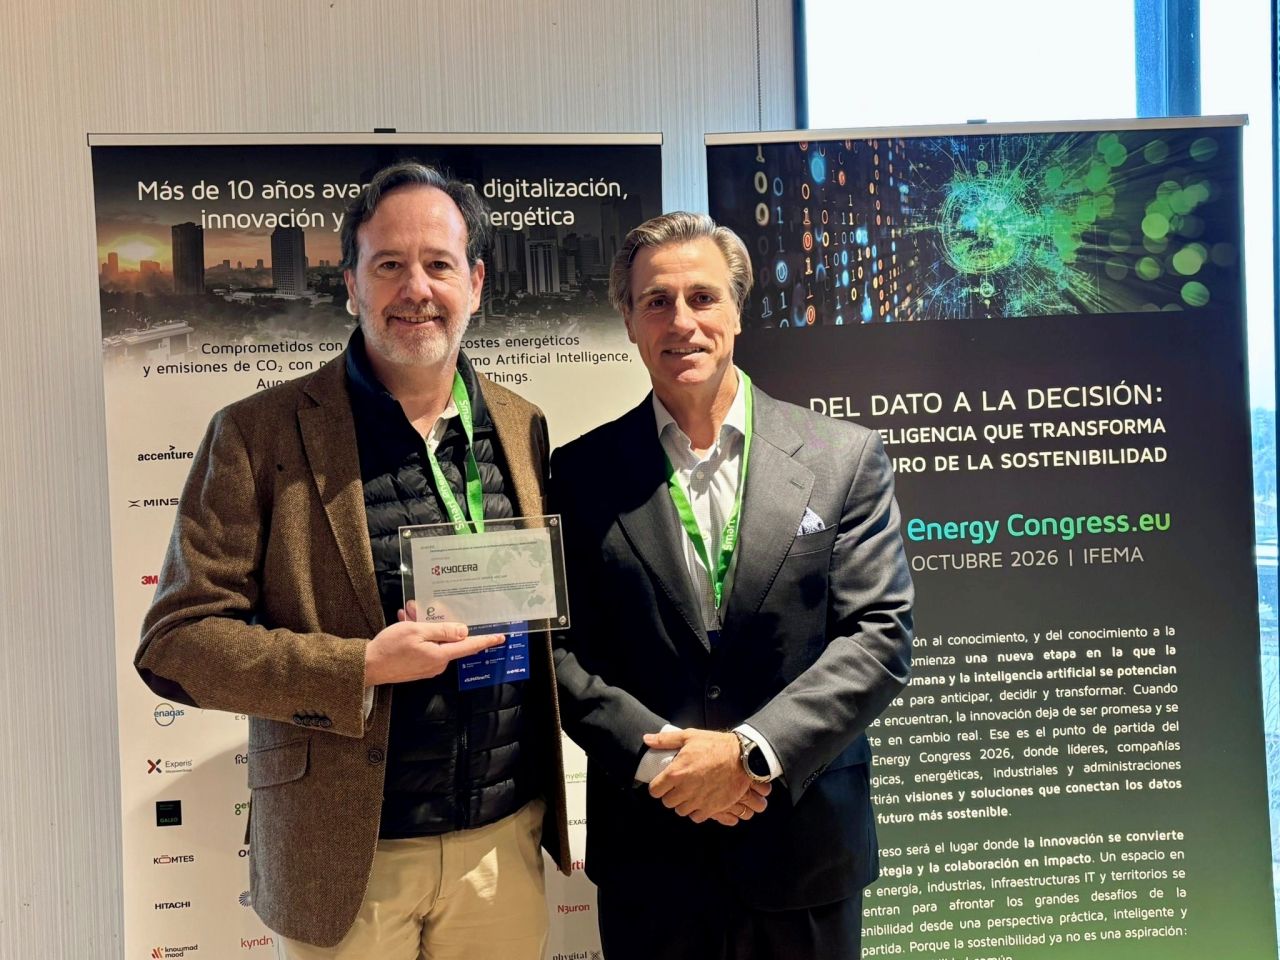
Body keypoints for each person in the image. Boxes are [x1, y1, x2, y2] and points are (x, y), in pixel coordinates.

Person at [136, 161, 569, 960]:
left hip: (502, 840)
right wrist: (359, 667)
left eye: (439, 264)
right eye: (389, 264)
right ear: (350, 285)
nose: (417, 289)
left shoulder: (520, 424)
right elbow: (177, 643)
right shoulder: (257, 435)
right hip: (346, 856)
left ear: (475, 283)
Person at [550, 212, 913, 959]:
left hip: (804, 852)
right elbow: (560, 653)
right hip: (652, 860)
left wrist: (749, 752)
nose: (681, 322)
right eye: (656, 302)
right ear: (628, 321)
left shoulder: (844, 459)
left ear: (738, 311)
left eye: (703, 297)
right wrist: (669, 765)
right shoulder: (580, 474)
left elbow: (878, 636)